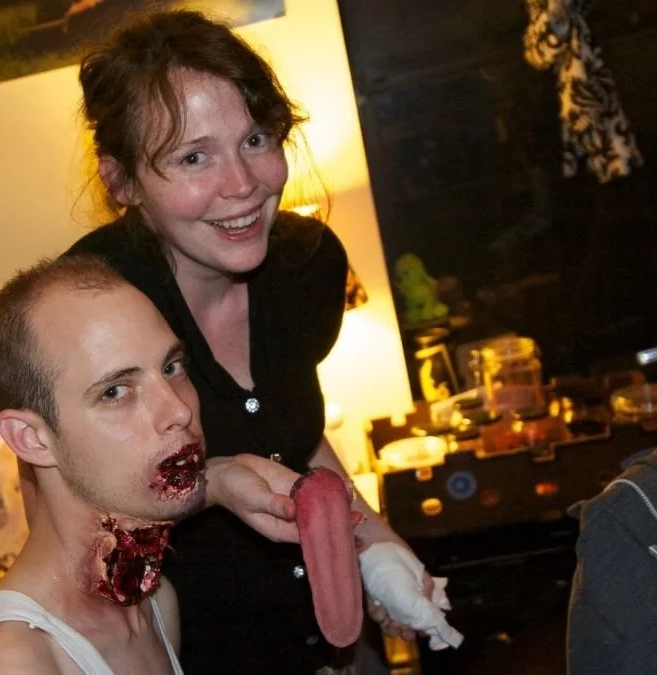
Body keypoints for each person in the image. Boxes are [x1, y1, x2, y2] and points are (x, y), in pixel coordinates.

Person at [66, 10, 455, 673]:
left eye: (254, 139)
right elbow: (72, 538)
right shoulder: (87, 310)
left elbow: (295, 439)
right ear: (121, 180)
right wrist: (208, 484)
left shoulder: (307, 266)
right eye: (194, 157)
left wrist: (376, 545)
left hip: (338, 649)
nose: (243, 185)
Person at [0, 255, 308, 675]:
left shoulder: (153, 604)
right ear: (32, 439)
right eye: (115, 392)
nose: (179, 410)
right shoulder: (10, 664)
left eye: (172, 367)